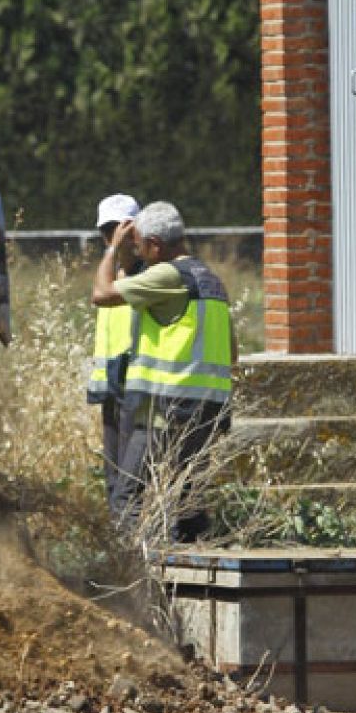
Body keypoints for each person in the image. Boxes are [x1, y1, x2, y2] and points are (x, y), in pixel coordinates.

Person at [91, 200, 235, 542]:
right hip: (210, 408)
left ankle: (134, 568)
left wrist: (112, 249)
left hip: (168, 408)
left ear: (155, 245)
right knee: (188, 501)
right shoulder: (211, 280)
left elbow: (101, 294)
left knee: (126, 496)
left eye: (139, 244)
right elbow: (233, 351)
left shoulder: (168, 275)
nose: (137, 251)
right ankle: (195, 560)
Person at [89, 193, 143, 525]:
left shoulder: (147, 272)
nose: (115, 237)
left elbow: (101, 296)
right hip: (110, 383)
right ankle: (118, 537)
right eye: (108, 231)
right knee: (112, 473)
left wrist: (115, 250)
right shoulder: (109, 271)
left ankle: (131, 536)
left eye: (121, 228)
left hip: (134, 381)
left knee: (129, 475)